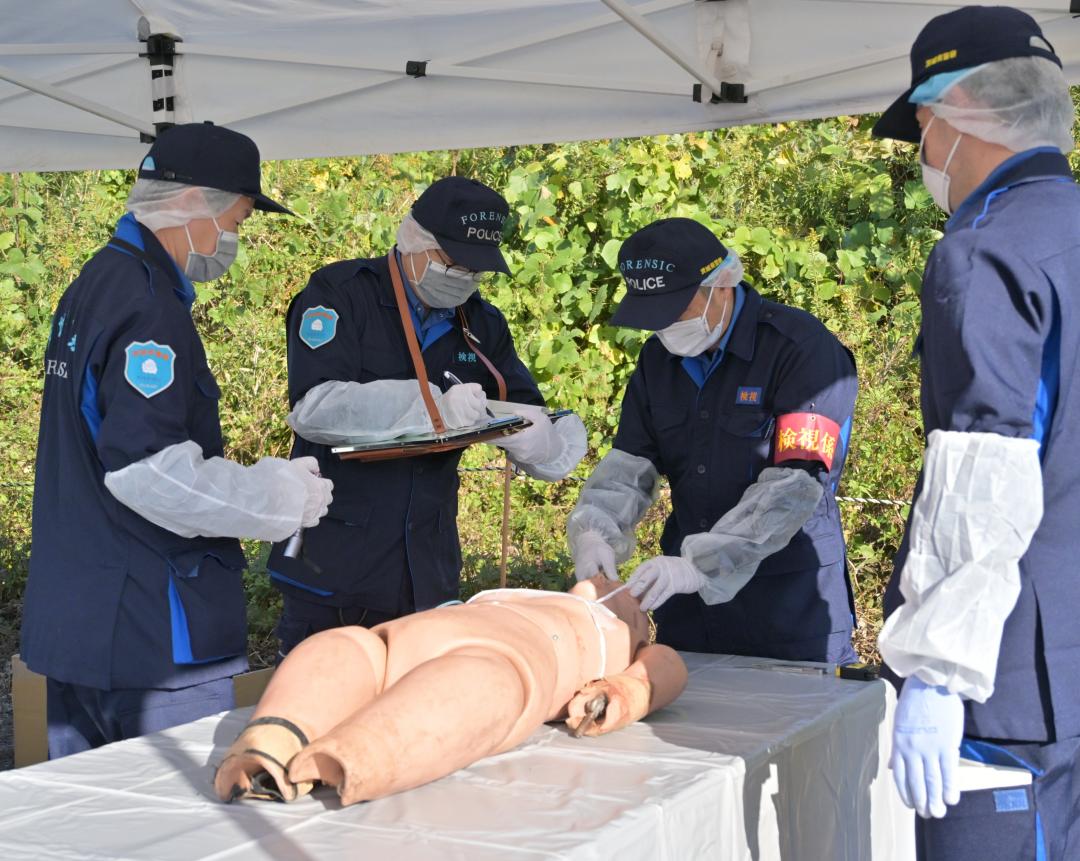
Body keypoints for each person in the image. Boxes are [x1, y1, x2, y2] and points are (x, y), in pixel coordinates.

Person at [20, 122, 334, 758]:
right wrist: (274, 498)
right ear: (194, 204)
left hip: (80, 619)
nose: (233, 242)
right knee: (178, 829)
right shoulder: (147, 305)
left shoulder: (93, 284)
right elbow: (148, 470)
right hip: (151, 635)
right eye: (237, 222)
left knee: (81, 828)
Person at [871, 7, 1080, 858]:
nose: (922, 155)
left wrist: (937, 670)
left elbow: (982, 471)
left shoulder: (986, 251)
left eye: (920, 128)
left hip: (1010, 693)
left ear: (961, 115)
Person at [268, 176, 587, 656]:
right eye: (451, 262)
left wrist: (542, 442)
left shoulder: (481, 322)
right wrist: (431, 407)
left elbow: (527, 410)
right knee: (323, 701)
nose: (462, 277)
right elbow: (315, 408)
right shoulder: (340, 294)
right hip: (334, 565)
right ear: (414, 241)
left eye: (475, 270)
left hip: (427, 567)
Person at [567, 218, 858, 663]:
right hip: (690, 611)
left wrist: (701, 564)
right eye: (653, 315)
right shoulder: (658, 361)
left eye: (675, 309)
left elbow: (794, 487)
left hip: (788, 605)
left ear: (721, 284)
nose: (665, 327)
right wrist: (596, 531)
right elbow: (630, 466)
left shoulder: (799, 349)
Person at [213, 574, 687, 805]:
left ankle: (347, 758)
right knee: (352, 648)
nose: (614, 580)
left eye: (634, 595)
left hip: (508, 661)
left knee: (480, 683)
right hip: (419, 632)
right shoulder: (535, 593)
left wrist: (623, 691)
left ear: (641, 630)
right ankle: (272, 740)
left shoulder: (624, 641)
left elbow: (664, 670)